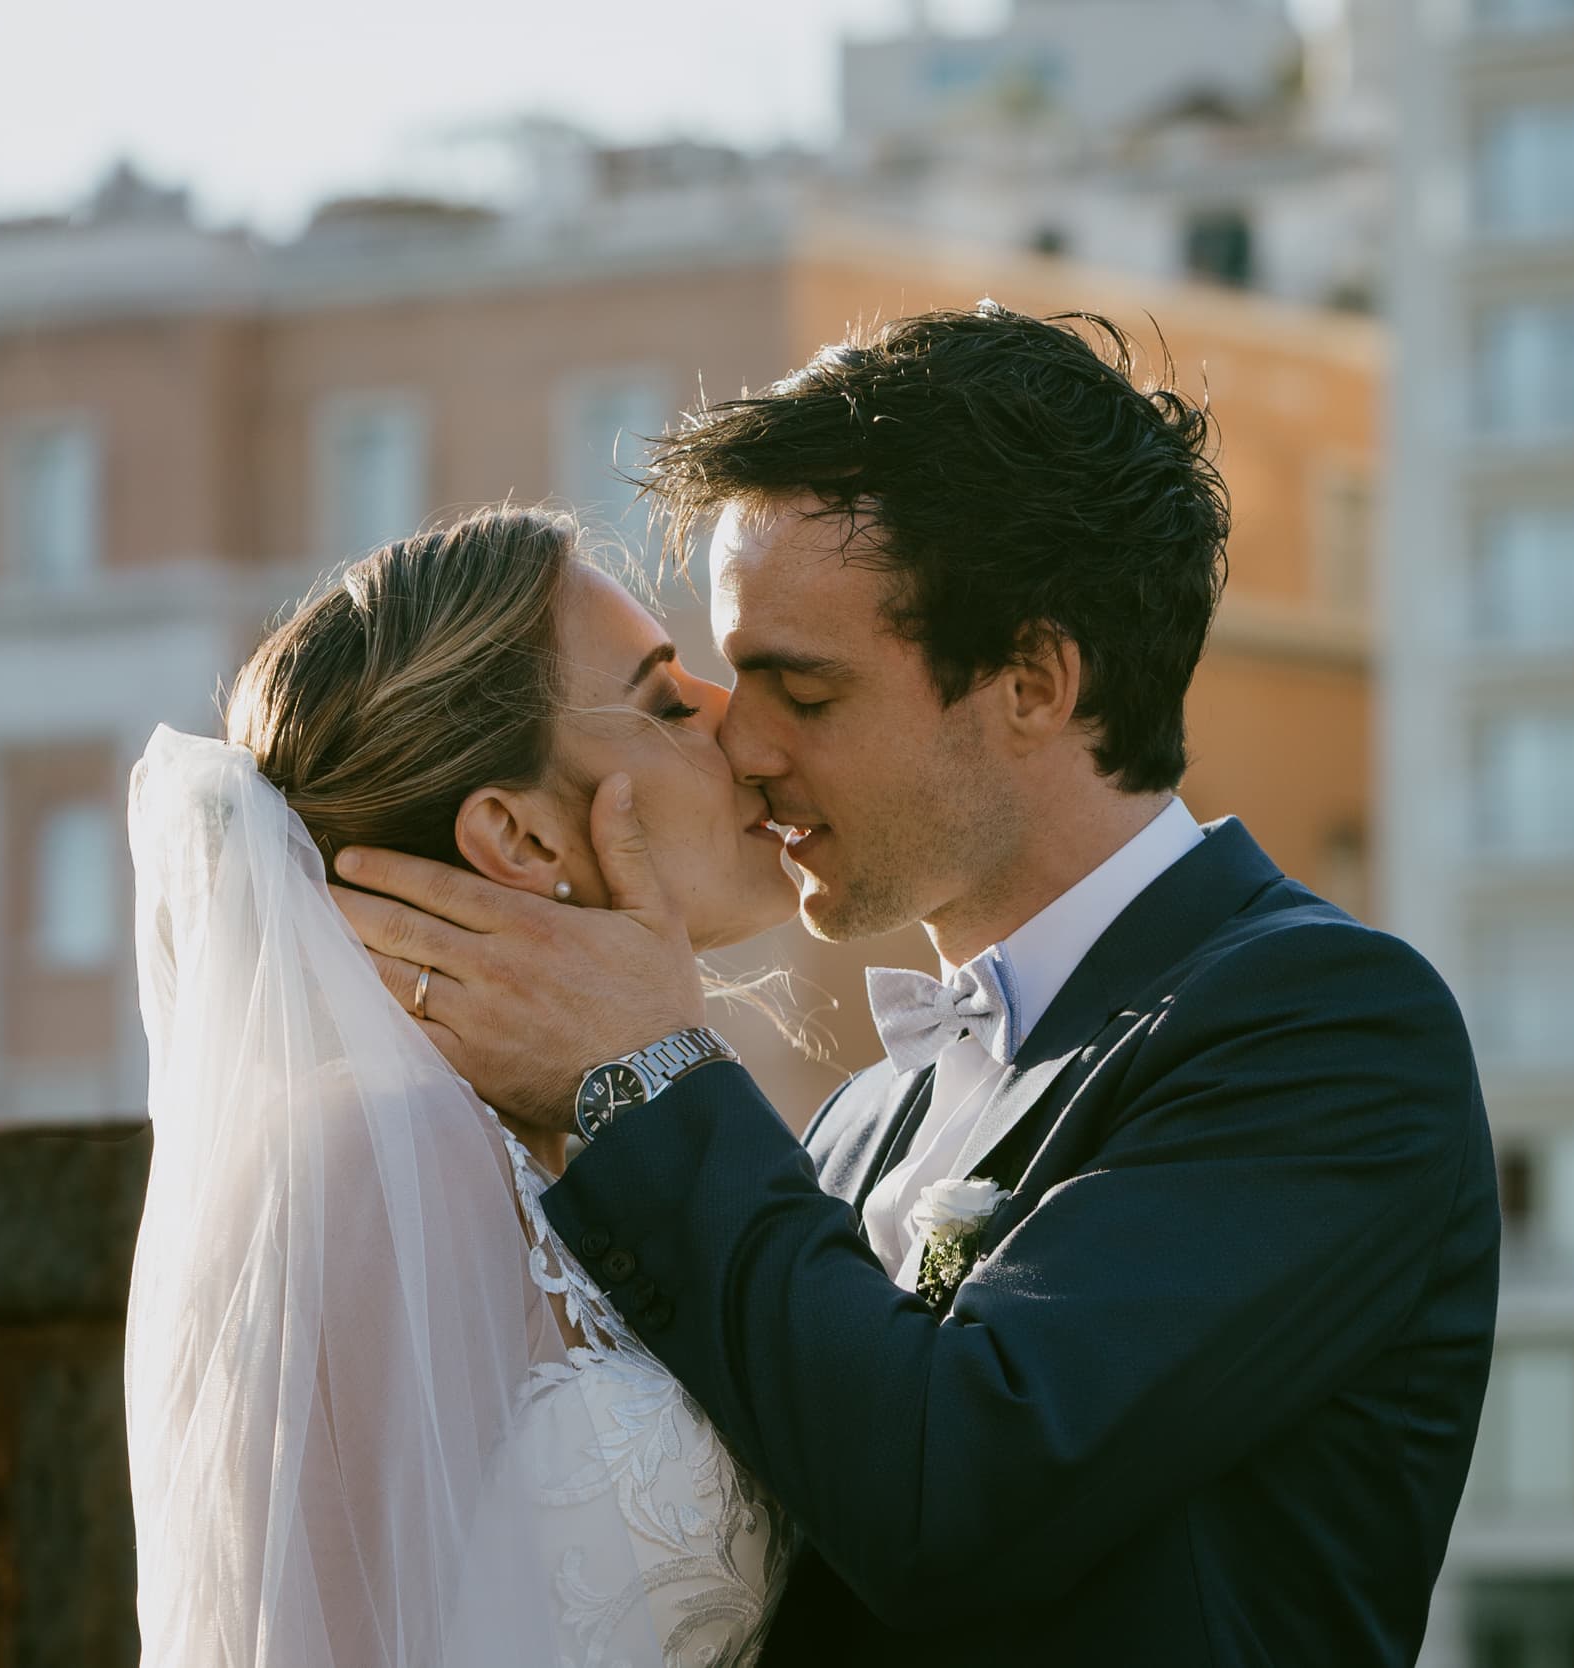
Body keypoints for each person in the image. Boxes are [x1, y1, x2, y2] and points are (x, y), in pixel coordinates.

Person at [328, 305, 1499, 1665]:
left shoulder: (1330, 1034)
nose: (740, 745)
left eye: (802, 693)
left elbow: (959, 1493)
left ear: (1031, 682)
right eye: (722, 676)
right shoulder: (858, 1123)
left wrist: (647, 1073)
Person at [120, 507, 805, 1668]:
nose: (742, 722)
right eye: (666, 703)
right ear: (521, 840)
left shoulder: (604, 1144)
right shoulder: (370, 1160)